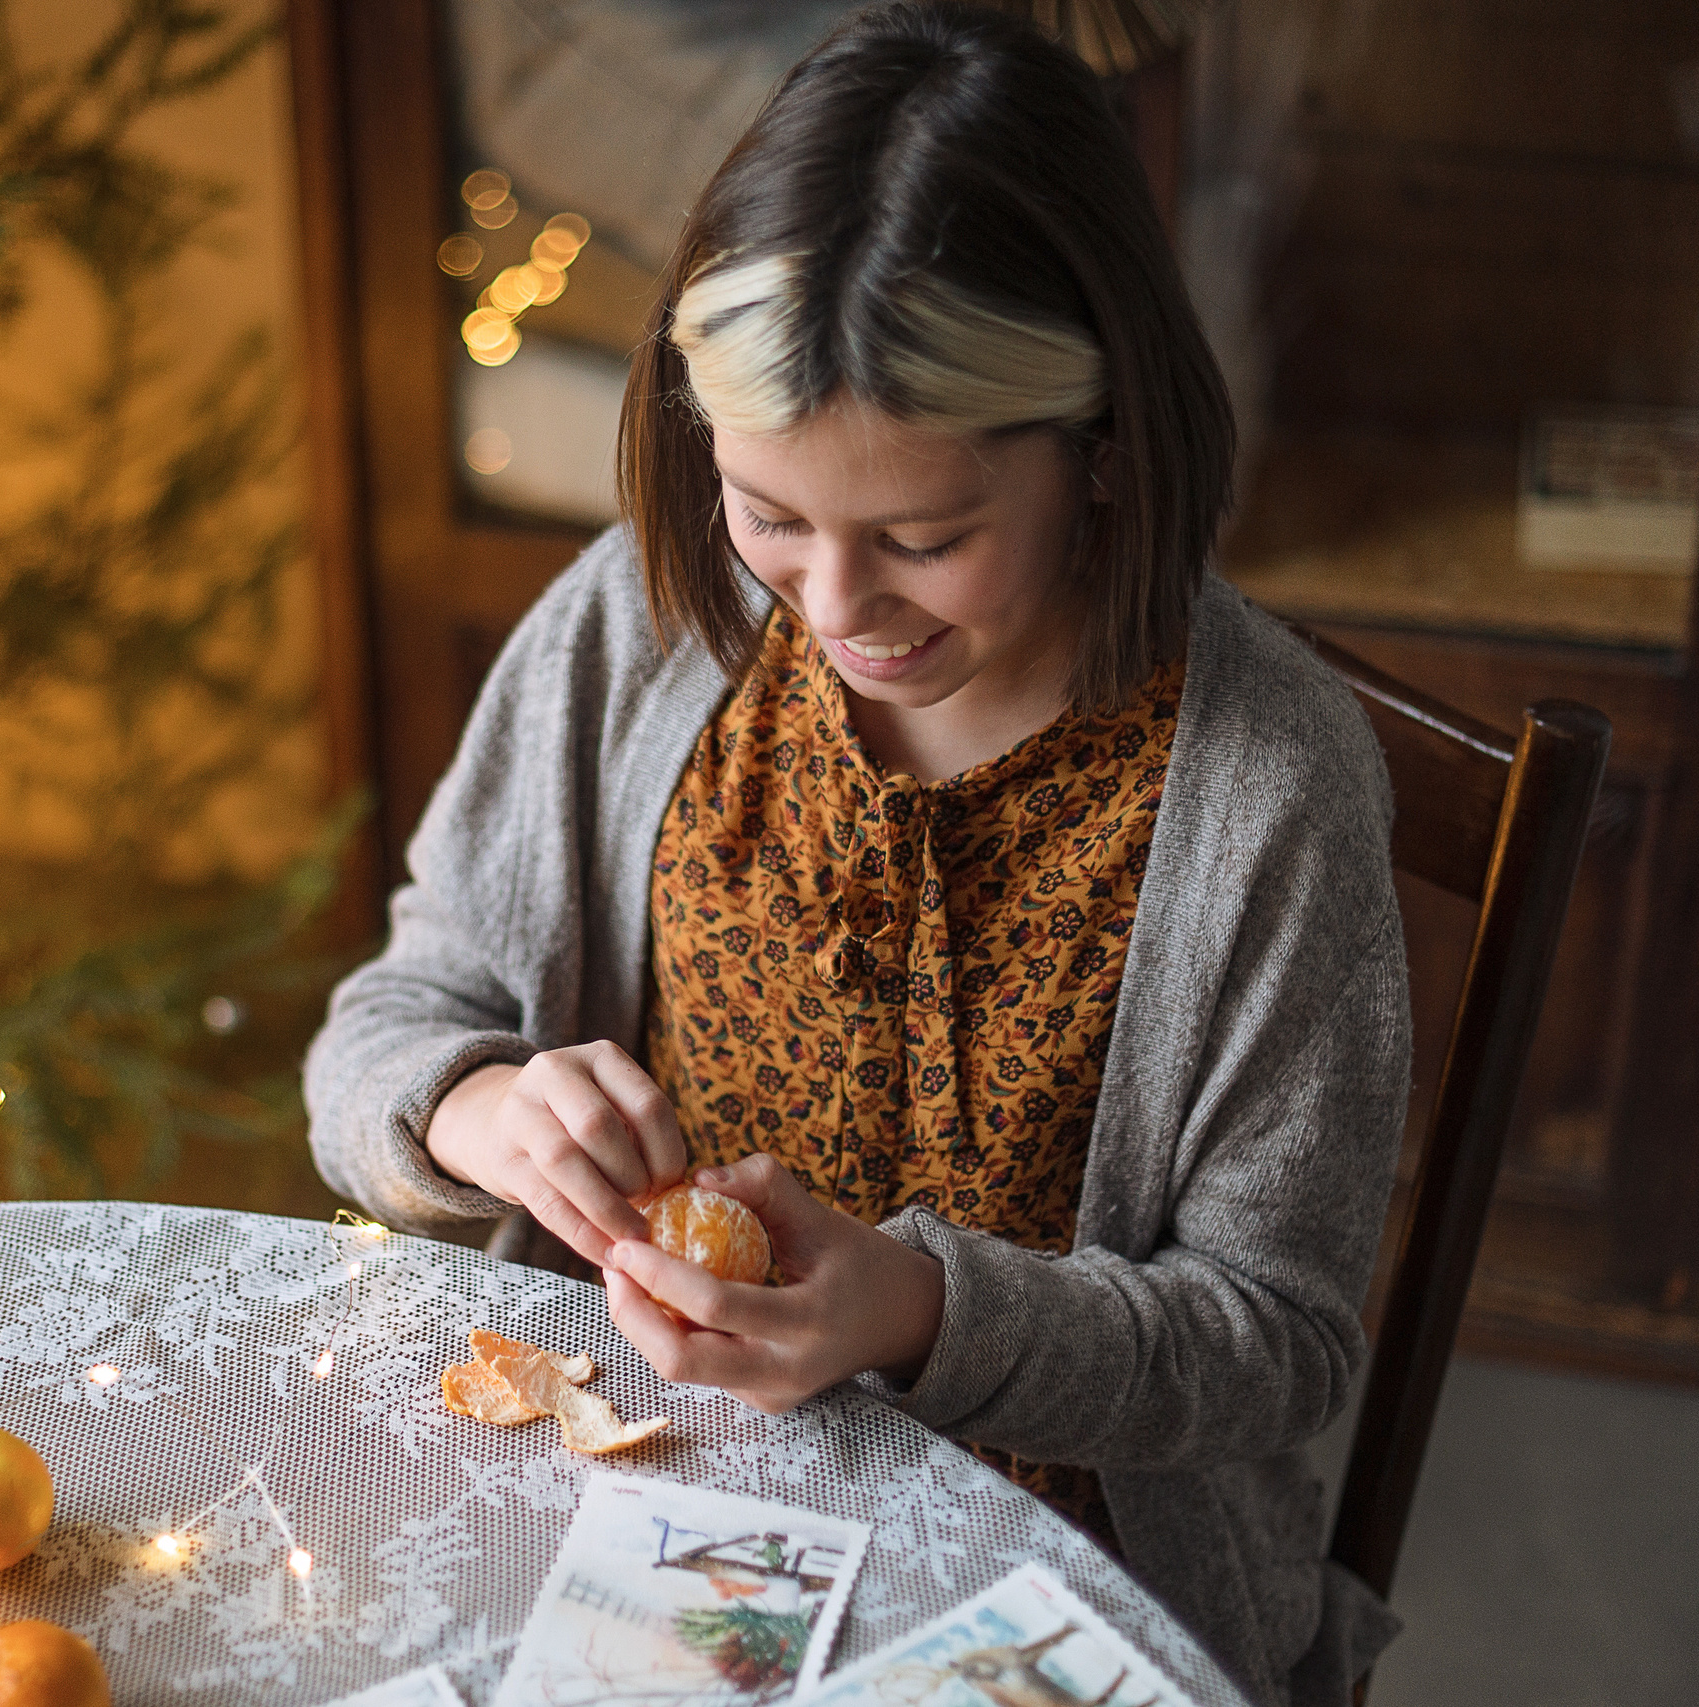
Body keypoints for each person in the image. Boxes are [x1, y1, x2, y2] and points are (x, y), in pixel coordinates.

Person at [304, 7, 1408, 1704]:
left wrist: (919, 1316)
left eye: (925, 537)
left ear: (1102, 449)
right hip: (634, 1501)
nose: (831, 611)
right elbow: (386, 1026)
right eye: (771, 514)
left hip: (1067, 1578)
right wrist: (479, 1111)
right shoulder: (639, 627)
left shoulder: (1265, 783)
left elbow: (1275, 1344)